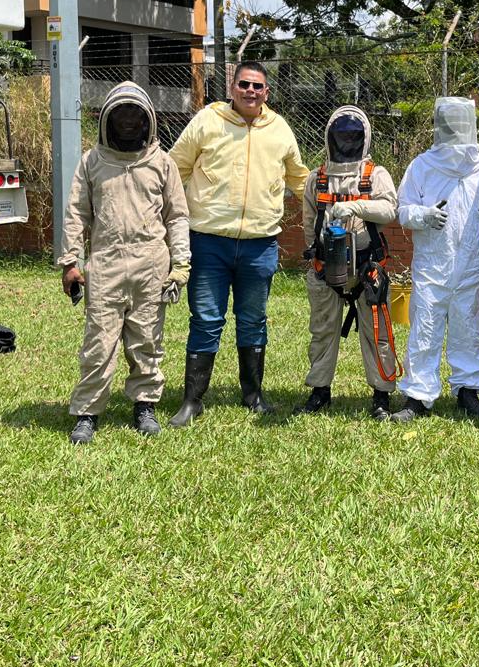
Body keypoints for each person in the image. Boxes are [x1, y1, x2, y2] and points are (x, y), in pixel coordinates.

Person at [167, 61, 310, 427]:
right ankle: (192, 401)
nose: (250, 91)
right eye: (244, 84)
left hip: (260, 245)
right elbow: (174, 170)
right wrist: (169, 216)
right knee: (206, 319)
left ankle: (254, 394)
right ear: (232, 87)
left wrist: (335, 200)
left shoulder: (279, 130)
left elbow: (300, 180)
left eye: (258, 86)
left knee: (253, 320)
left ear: (267, 92)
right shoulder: (207, 122)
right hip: (208, 242)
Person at [59, 81, 190, 445]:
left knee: (147, 339)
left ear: (147, 119)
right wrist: (71, 262)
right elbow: (75, 215)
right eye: (122, 114)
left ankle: (144, 405)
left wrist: (180, 265)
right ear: (108, 120)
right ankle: (87, 413)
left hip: (151, 265)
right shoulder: (92, 162)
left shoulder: (162, 164)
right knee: (99, 342)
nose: (129, 121)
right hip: (105, 265)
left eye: (135, 113)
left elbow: (177, 216)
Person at [392, 97, 479, 422]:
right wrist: (424, 215)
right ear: (440, 126)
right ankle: (418, 396)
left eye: (460, 123)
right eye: (449, 123)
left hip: (470, 267)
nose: (455, 130)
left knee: (469, 329)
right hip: (432, 267)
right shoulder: (422, 166)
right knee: (424, 329)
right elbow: (403, 210)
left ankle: (468, 391)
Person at [296, 106, 401, 419]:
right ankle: (320, 390)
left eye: (353, 136)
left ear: (364, 138)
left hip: (368, 268)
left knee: (377, 332)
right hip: (326, 269)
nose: (347, 141)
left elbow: (389, 210)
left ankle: (381, 394)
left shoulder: (375, 175)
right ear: (330, 138)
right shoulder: (317, 178)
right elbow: (307, 223)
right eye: (341, 136)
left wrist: (355, 207)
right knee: (322, 331)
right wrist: (318, 255)